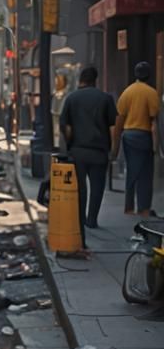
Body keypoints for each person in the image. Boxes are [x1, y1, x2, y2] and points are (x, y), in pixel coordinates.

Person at [60, 66, 118, 248]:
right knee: (97, 187)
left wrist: (69, 144)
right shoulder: (105, 99)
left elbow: (66, 127)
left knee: (80, 189)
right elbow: (113, 128)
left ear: (80, 80)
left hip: (78, 151)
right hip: (99, 151)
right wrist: (113, 151)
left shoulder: (71, 98)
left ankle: (80, 219)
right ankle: (92, 219)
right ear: (95, 80)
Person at [113, 60, 160, 217]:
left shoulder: (127, 92)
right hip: (143, 135)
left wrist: (116, 142)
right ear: (149, 75)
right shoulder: (151, 93)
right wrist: (156, 145)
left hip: (128, 135)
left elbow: (120, 118)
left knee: (131, 170)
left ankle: (128, 207)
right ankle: (144, 208)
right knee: (145, 173)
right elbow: (153, 121)